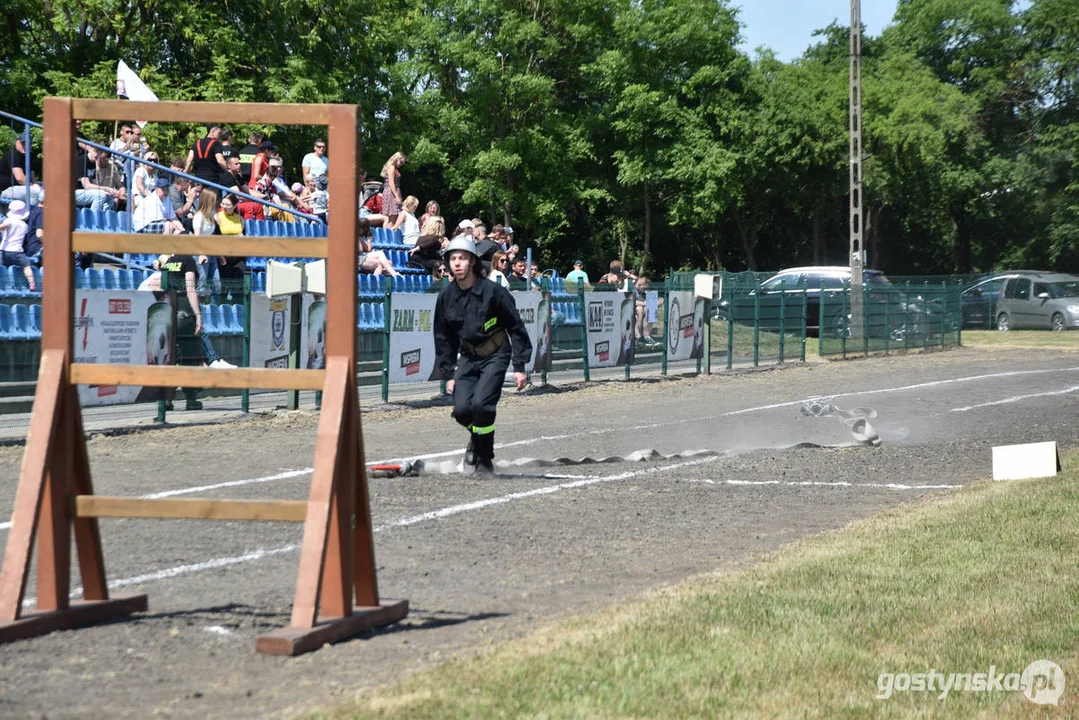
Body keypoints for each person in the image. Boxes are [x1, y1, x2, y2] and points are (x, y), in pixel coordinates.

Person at [433, 236, 532, 474]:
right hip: (468, 357)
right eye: (453, 259)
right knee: (461, 410)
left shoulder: (494, 292)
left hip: (496, 353)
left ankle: (484, 459)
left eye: (462, 258)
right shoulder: (446, 297)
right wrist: (448, 374)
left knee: (481, 406)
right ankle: (478, 441)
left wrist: (519, 366)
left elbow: (516, 327)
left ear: (473, 262)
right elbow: (443, 338)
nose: (457, 264)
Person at [156, 253, 237, 410]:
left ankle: (167, 399)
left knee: (171, 356)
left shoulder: (169, 262)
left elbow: (163, 287)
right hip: (184, 311)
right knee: (190, 357)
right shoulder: (188, 261)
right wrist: (198, 315)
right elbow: (190, 288)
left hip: (169, 309)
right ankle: (191, 398)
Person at [0, 200, 36, 291]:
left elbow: (3, 227)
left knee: (2, 267)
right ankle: (32, 283)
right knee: (27, 267)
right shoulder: (24, 226)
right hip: (17, 251)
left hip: (4, 250)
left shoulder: (9, 220)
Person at [380, 152, 406, 224]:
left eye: (402, 163)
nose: (401, 164)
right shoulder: (392, 167)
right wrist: (397, 196)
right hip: (391, 192)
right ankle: (389, 234)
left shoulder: (392, 167)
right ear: (396, 158)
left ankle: (387, 234)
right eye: (401, 162)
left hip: (392, 191)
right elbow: (391, 182)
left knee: (390, 218)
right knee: (393, 217)